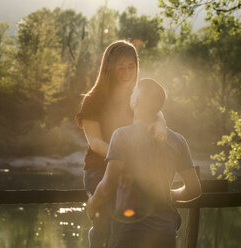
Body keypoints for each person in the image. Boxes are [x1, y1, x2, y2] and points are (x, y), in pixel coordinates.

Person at [86, 78, 202, 248]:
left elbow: (108, 185)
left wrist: (92, 203)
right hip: (165, 234)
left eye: (133, 92)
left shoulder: (122, 136)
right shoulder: (178, 140)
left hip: (129, 233)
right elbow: (194, 189)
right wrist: (171, 194)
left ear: (136, 101)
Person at [76, 41, 167, 248]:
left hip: (133, 167)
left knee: (134, 221)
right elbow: (95, 142)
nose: (127, 73)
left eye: (131, 67)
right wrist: (122, 158)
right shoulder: (93, 99)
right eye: (121, 67)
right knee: (105, 218)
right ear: (109, 67)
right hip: (99, 167)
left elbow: (155, 110)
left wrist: (161, 123)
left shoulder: (137, 95)